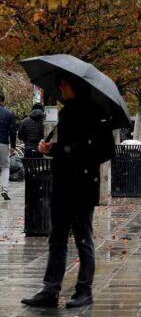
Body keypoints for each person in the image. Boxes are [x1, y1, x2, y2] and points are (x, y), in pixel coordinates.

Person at [21, 73, 115, 308]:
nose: (60, 87)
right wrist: (51, 148)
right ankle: (50, 290)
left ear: (74, 85)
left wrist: (70, 153)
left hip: (82, 185)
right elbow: (67, 147)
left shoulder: (97, 113)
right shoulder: (67, 111)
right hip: (62, 184)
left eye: (63, 83)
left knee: (83, 238)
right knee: (57, 239)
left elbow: (106, 150)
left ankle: (84, 290)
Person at [0, 91, 18, 200]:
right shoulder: (9, 113)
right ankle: (4, 189)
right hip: (3, 143)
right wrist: (13, 146)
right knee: (5, 167)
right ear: (3, 100)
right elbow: (12, 131)